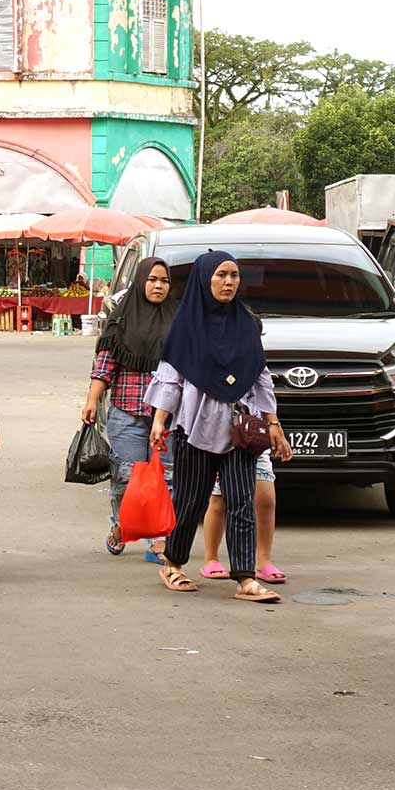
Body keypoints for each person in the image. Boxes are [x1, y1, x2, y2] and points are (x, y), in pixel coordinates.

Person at [148, 250, 293, 604]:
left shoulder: (245, 324)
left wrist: (273, 422)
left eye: (234, 276)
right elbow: (171, 379)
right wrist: (159, 420)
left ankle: (244, 577)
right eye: (221, 275)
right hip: (195, 428)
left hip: (238, 431)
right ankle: (173, 563)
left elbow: (260, 377)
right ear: (204, 279)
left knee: (242, 500)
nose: (229, 282)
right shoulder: (185, 327)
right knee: (190, 502)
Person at [81, 259, 177, 560]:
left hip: (169, 415)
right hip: (127, 413)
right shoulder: (121, 320)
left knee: (167, 477)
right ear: (139, 283)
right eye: (151, 280)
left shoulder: (179, 321)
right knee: (126, 477)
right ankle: (122, 524)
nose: (158, 285)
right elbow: (104, 368)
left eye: (163, 280)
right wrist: (91, 401)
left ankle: (160, 538)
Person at [199, 456, 285, 583]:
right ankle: (211, 558)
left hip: (256, 444)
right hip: (224, 448)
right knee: (219, 501)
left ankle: (264, 561)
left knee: (266, 499)